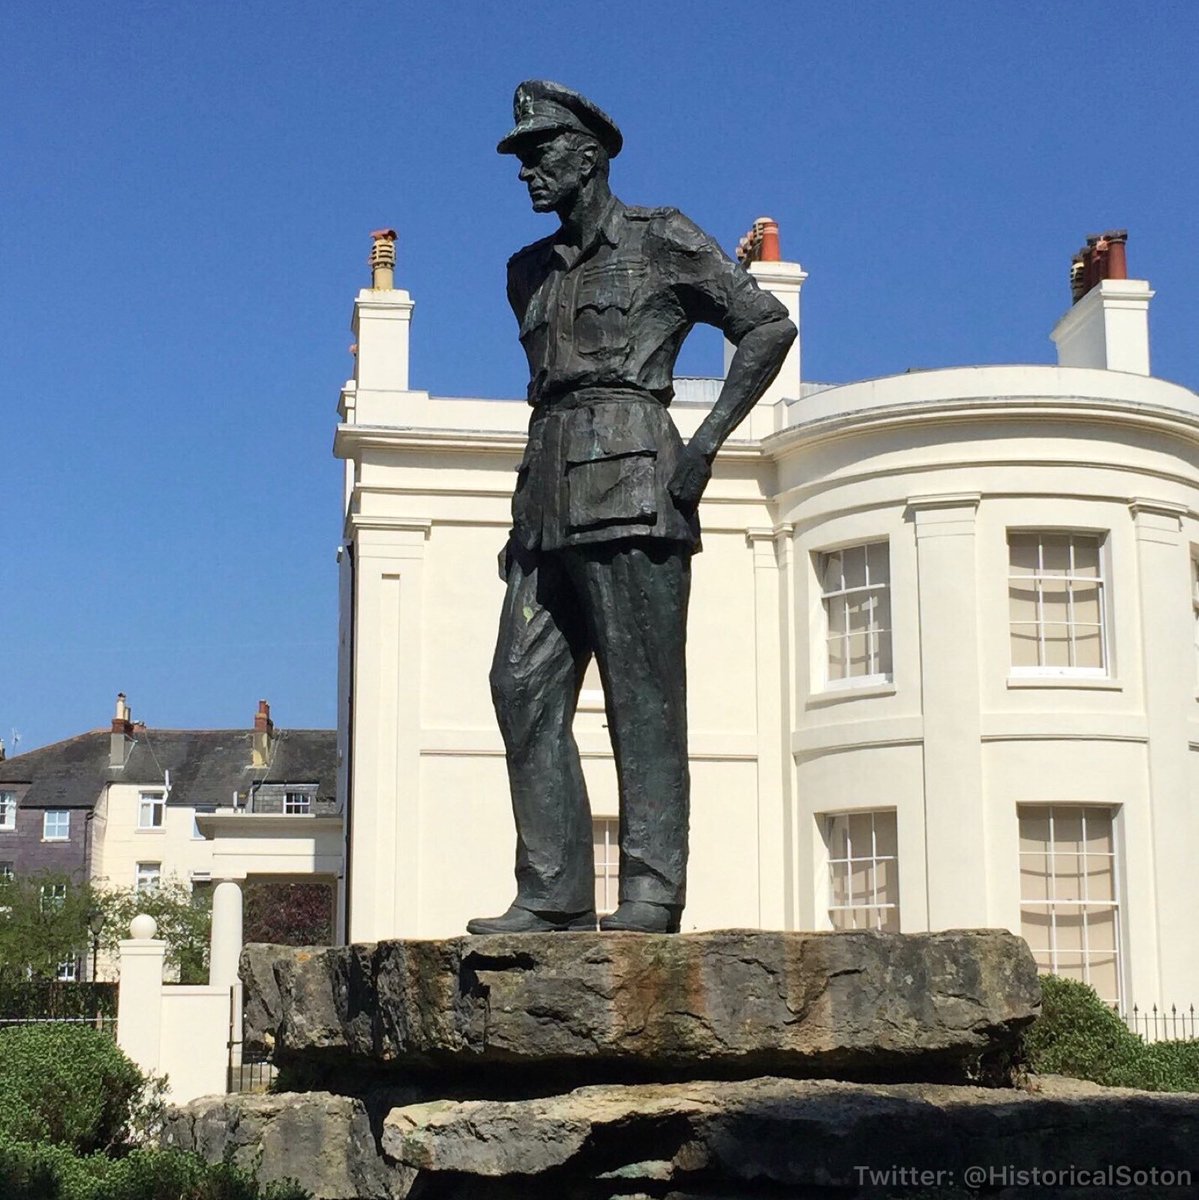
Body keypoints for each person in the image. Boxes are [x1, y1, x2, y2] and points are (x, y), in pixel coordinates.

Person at [467, 81, 796, 935]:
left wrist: (706, 445)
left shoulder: (662, 238)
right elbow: (544, 397)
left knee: (639, 696)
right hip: (544, 491)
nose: (528, 172)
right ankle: (552, 890)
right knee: (519, 686)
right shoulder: (525, 273)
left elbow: (763, 326)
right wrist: (518, 518)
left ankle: (651, 888)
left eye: (541, 154)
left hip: (635, 479)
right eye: (522, 158)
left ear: (590, 154)